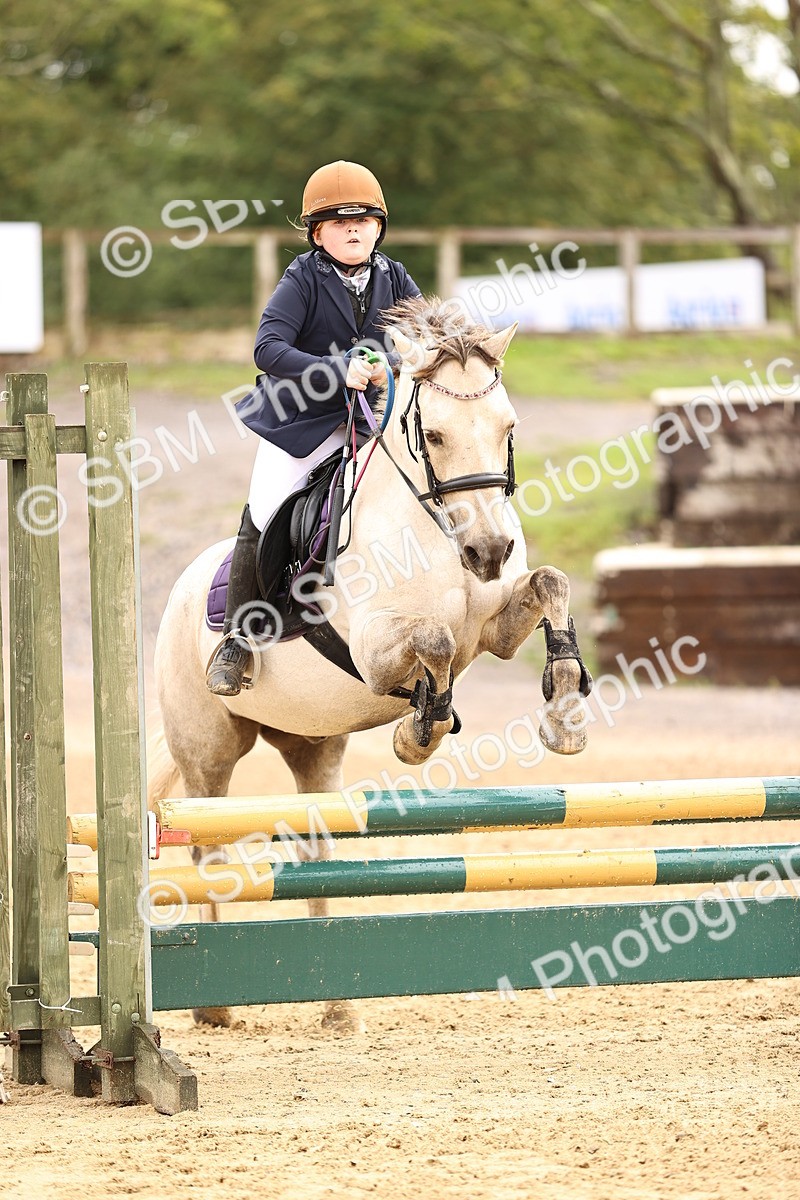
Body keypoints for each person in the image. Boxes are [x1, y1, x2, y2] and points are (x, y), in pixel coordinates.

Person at [206, 160, 421, 696]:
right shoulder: (302, 277)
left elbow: (423, 339)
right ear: (318, 232)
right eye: (340, 221)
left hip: (367, 421)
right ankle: (237, 638)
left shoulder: (395, 277)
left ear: (379, 228)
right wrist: (336, 368)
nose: (354, 229)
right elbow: (267, 348)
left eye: (365, 220)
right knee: (267, 503)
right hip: (300, 421)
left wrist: (389, 359)